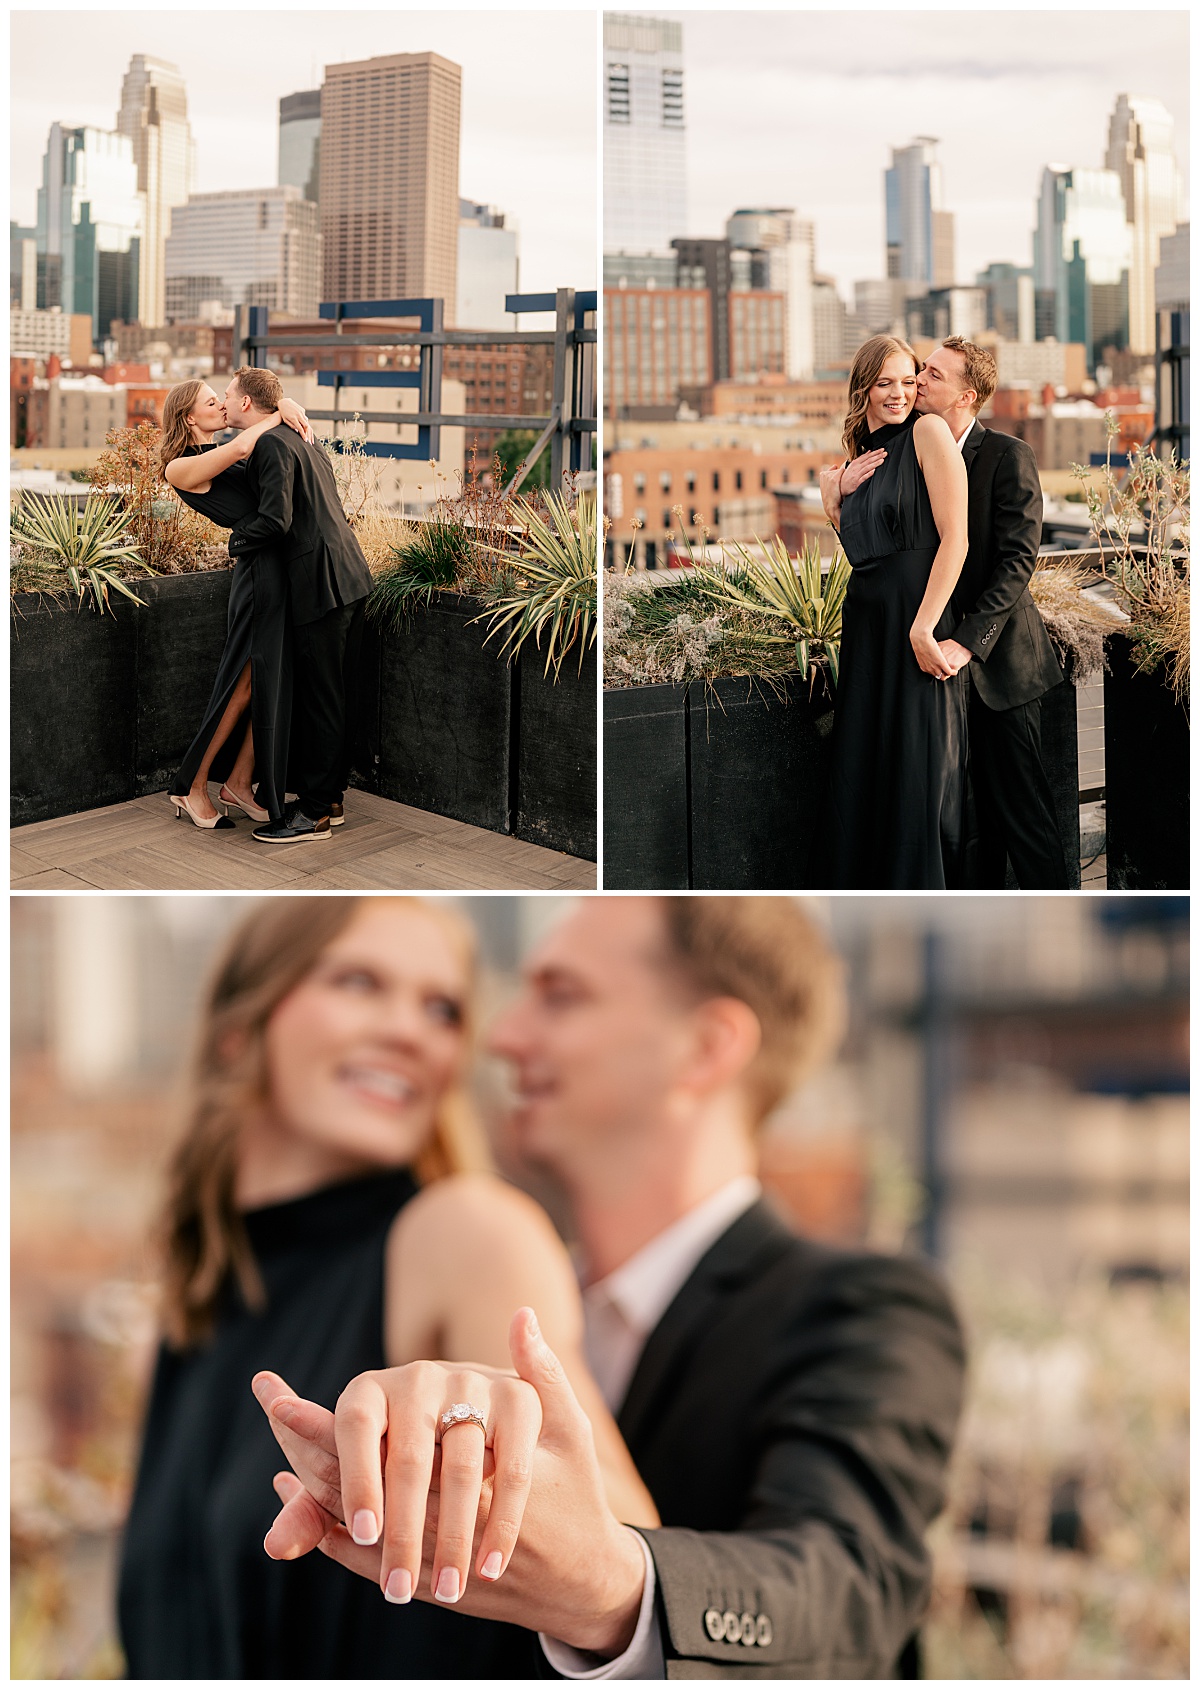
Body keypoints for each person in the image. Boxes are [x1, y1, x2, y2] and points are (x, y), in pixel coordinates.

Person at [255, 896, 967, 1678]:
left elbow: (846, 1593)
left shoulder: (862, 1308)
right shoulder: (459, 1304)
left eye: (561, 995)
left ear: (705, 1047)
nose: (501, 1036)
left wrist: (612, 1588)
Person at [116, 895, 658, 1679]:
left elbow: (628, 1567)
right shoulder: (191, 1313)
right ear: (242, 1029)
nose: (410, 1032)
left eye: (441, 1008)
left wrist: (481, 1425)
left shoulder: (463, 1233)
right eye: (359, 982)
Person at [833, 338, 1069, 889]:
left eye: (931, 375)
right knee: (966, 820)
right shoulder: (901, 446)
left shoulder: (1008, 456)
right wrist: (836, 492)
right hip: (930, 666)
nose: (917, 381)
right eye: (918, 371)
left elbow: (1016, 564)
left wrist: (967, 641)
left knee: (1022, 817)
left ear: (966, 395)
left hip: (997, 667)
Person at [816, 335, 971, 889]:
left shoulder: (928, 433)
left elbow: (956, 539)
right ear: (862, 389)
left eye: (909, 380)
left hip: (916, 624)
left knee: (915, 781)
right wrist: (832, 498)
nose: (900, 393)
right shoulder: (857, 463)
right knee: (865, 779)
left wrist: (925, 625)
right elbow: (860, 552)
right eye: (885, 383)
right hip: (865, 633)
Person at [222, 367, 375, 846]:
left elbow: (275, 520)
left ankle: (312, 816)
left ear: (247, 403)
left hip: (320, 585)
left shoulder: (269, 445)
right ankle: (329, 799)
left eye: (227, 395)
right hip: (348, 574)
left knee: (321, 698)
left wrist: (235, 541)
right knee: (335, 694)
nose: (224, 403)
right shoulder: (302, 438)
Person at [161, 381, 310, 830]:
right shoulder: (180, 467)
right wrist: (280, 407)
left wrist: (281, 404)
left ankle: (240, 784)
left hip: (274, 566)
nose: (221, 406)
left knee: (266, 683)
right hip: (256, 576)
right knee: (241, 684)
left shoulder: (222, 448)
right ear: (189, 418)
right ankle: (192, 786)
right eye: (211, 402)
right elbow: (250, 439)